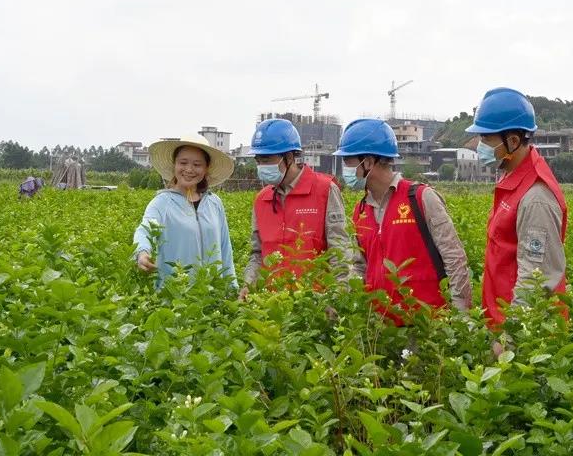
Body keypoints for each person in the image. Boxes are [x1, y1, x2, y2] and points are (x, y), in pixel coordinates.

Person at [335, 118, 471, 323]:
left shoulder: (420, 198)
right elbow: (360, 266)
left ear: (369, 161)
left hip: (426, 325)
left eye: (348, 161)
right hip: (382, 330)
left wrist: (461, 318)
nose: (344, 168)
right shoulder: (360, 210)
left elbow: (454, 259)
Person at [466, 88, 568, 331]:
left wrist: (510, 338)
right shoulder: (512, 178)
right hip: (503, 324)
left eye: (487, 139)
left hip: (524, 336)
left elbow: (536, 278)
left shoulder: (535, 198)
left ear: (513, 141)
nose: (481, 146)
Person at [239, 118, 355, 298]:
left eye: (267, 158)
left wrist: (338, 296)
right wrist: (249, 285)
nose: (262, 166)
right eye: (258, 160)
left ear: (290, 157)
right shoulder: (262, 199)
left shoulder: (324, 189)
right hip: (271, 305)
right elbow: (257, 254)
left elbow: (339, 251)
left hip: (314, 305)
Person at [133, 134, 237, 288]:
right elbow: (145, 230)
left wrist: (232, 288)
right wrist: (142, 252)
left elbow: (225, 249)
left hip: (213, 295)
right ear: (174, 165)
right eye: (183, 163)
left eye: (197, 164)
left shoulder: (214, 203)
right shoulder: (162, 203)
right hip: (175, 296)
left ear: (206, 168)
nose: (189, 169)